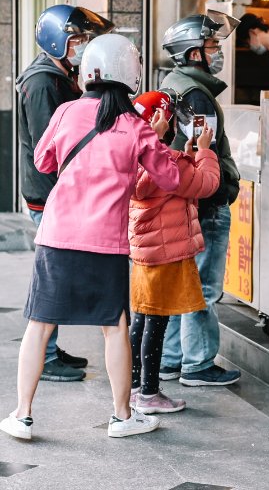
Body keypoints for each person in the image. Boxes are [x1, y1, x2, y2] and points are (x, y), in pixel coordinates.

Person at [0, 34, 180, 440]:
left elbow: (43, 158)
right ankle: (121, 416)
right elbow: (169, 177)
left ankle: (22, 415)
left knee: (39, 325)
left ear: (89, 73)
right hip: (106, 244)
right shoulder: (136, 125)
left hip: (57, 236)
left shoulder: (65, 112)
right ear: (131, 76)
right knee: (114, 327)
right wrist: (161, 135)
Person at [16, 5, 114, 383]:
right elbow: (51, 146)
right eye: (75, 39)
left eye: (84, 39)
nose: (82, 45)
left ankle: (50, 348)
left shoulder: (61, 77)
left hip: (56, 192)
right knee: (50, 275)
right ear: (56, 41)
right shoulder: (43, 82)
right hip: (48, 194)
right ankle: (45, 356)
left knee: (54, 274)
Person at [158, 11, 242, 387]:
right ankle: (198, 363)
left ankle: (171, 360)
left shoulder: (174, 84)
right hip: (205, 205)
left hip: (185, 203)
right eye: (213, 45)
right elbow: (198, 151)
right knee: (203, 287)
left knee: (184, 283)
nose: (218, 51)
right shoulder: (196, 94)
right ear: (195, 54)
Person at [128, 91, 220, 414]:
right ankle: (150, 393)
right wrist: (205, 152)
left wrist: (181, 151)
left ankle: (136, 386)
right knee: (157, 319)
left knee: (141, 317)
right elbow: (206, 184)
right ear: (161, 120)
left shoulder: (134, 158)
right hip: (166, 254)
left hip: (145, 254)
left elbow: (166, 178)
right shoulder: (169, 163)